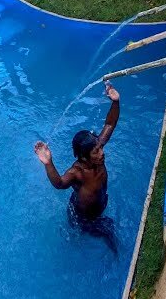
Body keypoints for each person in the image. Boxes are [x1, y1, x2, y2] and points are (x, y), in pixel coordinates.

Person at [33, 82, 120, 220]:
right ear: (84, 157)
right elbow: (60, 183)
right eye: (96, 152)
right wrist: (48, 163)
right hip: (83, 217)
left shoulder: (97, 147)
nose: (102, 153)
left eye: (100, 148)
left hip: (100, 204)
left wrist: (115, 102)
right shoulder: (77, 173)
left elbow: (110, 124)